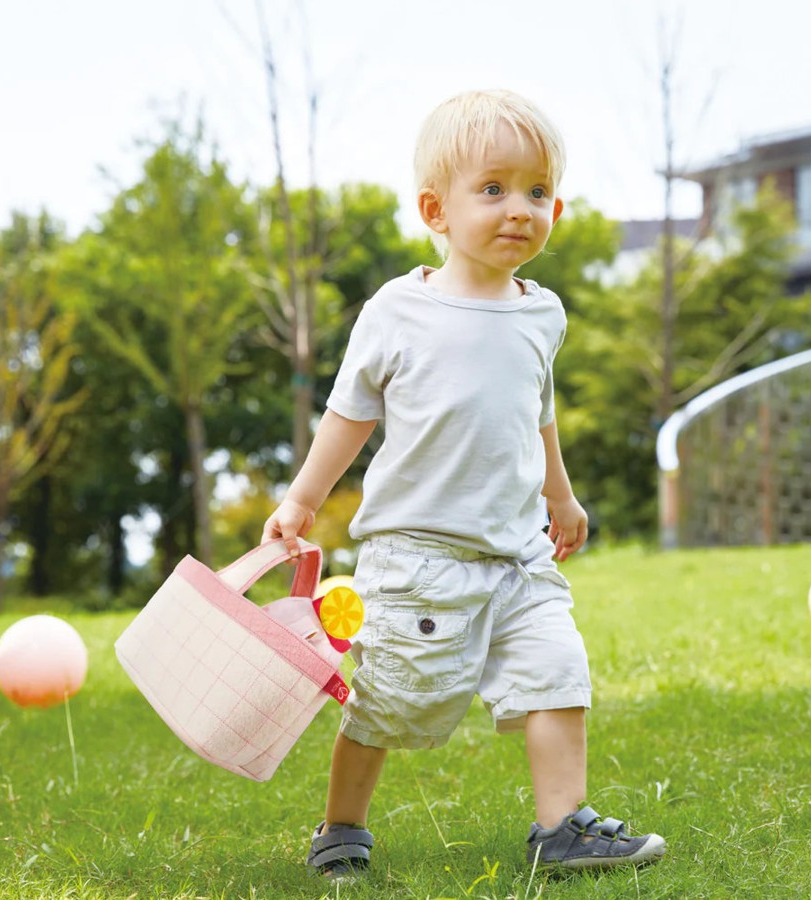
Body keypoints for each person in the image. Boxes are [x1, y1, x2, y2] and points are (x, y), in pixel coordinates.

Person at [262, 88, 666, 881]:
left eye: (537, 191)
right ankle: (341, 826)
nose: (520, 208)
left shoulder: (542, 313)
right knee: (390, 704)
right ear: (435, 210)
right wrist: (302, 500)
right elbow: (349, 414)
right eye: (493, 188)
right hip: (420, 561)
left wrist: (561, 494)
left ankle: (564, 829)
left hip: (518, 555)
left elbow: (535, 409)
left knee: (559, 673)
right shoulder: (399, 311)